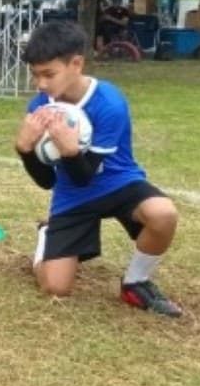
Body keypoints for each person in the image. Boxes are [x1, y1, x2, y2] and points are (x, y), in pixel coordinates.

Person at [15, 20, 183, 317]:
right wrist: (25, 151)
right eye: (34, 75)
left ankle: (135, 282)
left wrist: (70, 151)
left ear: (76, 64)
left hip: (120, 183)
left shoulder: (109, 103)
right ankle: (47, 236)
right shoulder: (40, 107)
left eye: (48, 74)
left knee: (163, 214)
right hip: (74, 196)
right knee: (56, 288)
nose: (41, 84)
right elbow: (48, 182)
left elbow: (86, 173)